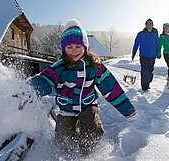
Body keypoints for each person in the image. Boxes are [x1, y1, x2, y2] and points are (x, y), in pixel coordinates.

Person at [28, 19, 138, 157]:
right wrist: (28, 89)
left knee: (92, 130)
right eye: (69, 47)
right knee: (63, 139)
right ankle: (67, 153)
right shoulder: (59, 67)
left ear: (85, 47)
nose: (74, 51)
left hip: (87, 104)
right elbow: (45, 80)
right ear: (63, 49)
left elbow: (110, 88)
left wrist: (127, 110)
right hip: (66, 107)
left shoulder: (94, 66)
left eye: (78, 46)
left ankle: (88, 153)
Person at [132, 18, 159, 91]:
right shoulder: (141, 34)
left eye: (150, 24)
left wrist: (158, 53)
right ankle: (144, 86)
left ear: (152, 25)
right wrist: (133, 53)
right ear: (145, 25)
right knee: (144, 70)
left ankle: (148, 81)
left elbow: (157, 44)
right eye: (148, 24)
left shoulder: (155, 33)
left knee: (150, 70)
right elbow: (136, 43)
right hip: (143, 55)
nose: (149, 25)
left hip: (152, 55)